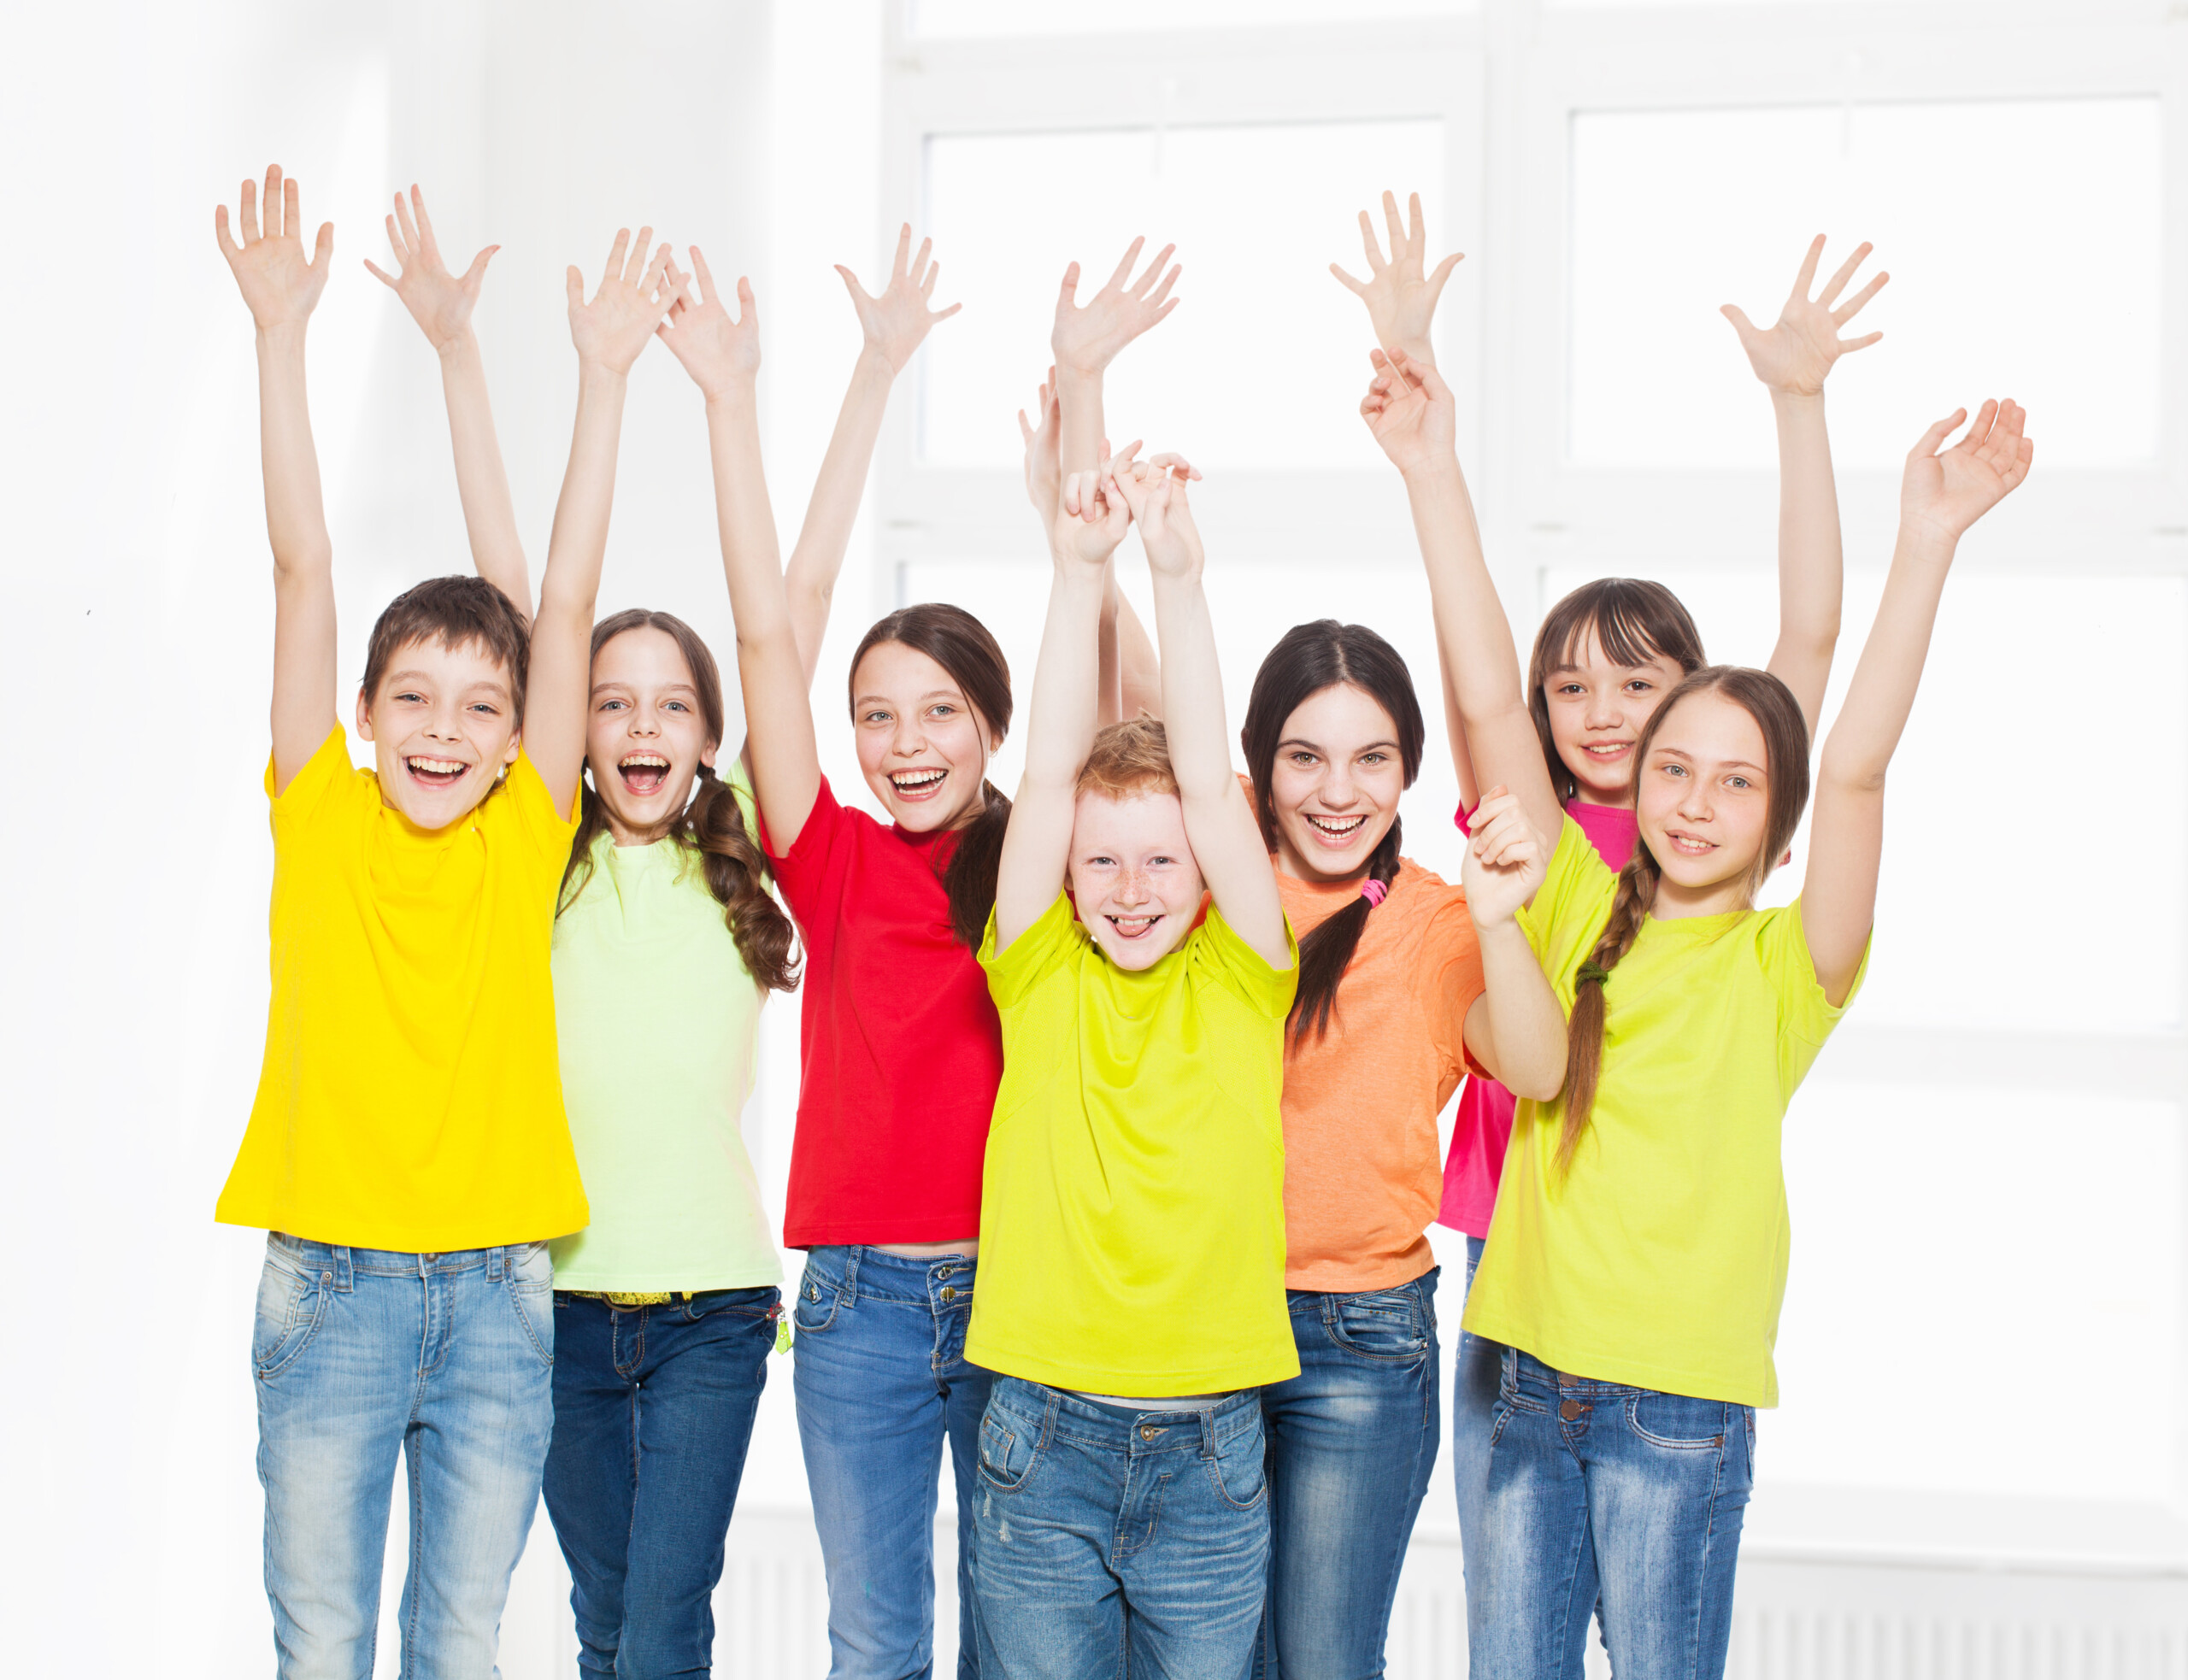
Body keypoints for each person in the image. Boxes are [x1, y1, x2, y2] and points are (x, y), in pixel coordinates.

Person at [1362, 315, 2032, 1677]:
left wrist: (1926, 542)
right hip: (1522, 1373)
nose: (1694, 798)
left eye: (1737, 781)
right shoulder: (1564, 893)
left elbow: (1854, 761)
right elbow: (1488, 693)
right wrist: (1431, 468)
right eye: (1673, 769)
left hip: (1679, 1400)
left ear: (1778, 820)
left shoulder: (1790, 965)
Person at [1335, 191, 1881, 1600]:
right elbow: (1476, 677)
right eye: (1571, 685)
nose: (1600, 712)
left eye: (1637, 685)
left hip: (1651, 1285)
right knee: (1520, 1585)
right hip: (1519, 1239)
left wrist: (1800, 407)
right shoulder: (1542, 841)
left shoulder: (1713, 841)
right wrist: (1429, 457)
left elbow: (1813, 634)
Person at [212, 166, 672, 1677]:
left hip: (494, 1290)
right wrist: (280, 336)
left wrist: (604, 379)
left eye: (482, 707)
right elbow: (303, 564)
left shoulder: (527, 827)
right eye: (411, 697)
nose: (443, 728)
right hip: (330, 1281)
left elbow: (568, 597)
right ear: (360, 712)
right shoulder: (321, 811)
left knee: (461, 1639)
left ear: (518, 735)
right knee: (322, 1643)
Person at [656, 236, 1018, 1680]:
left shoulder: (1047, 867)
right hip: (859, 1303)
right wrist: (748, 401)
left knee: (1015, 1638)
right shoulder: (836, 856)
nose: (906, 743)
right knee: (876, 1641)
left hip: (1016, 1289)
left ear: (994, 724)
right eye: (878, 715)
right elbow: (767, 628)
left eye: (940, 713)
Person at [962, 448, 1296, 1680]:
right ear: (1064, 871)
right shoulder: (1039, 970)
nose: (1132, 887)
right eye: (1101, 860)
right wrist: (1075, 572)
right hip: (1042, 1433)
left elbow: (1206, 780)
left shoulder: (1245, 975)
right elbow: (1048, 772)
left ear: (1209, 870)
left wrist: (1177, 576)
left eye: (1162, 860)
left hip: (1212, 1450)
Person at [1233, 617, 1566, 1680]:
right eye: (1304, 757)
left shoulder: (1437, 919)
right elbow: (1142, 694)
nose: (1338, 792)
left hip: (1360, 1341)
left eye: (1371, 758)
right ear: (1257, 763)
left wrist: (1501, 920)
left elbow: (1535, 1065)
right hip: (1204, 1319)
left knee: (1321, 1662)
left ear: (1408, 767)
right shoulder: (1207, 867)